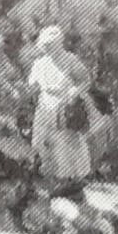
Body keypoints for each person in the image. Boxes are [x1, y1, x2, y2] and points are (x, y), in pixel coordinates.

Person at [27, 28, 94, 187]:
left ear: (60, 44)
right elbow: (31, 85)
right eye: (46, 45)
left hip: (65, 105)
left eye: (52, 44)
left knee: (65, 141)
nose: (49, 48)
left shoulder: (70, 59)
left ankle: (69, 179)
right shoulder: (39, 63)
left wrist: (74, 92)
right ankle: (48, 176)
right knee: (43, 141)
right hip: (45, 105)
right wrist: (31, 89)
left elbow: (86, 80)